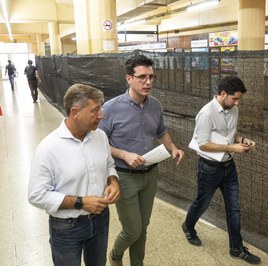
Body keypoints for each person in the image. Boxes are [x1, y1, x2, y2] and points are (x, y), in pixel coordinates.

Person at [98, 54, 185, 266]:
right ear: (129, 78)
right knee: (132, 230)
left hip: (150, 175)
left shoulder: (155, 105)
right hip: (124, 178)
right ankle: (116, 255)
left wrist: (172, 147)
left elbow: (161, 131)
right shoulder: (110, 108)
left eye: (151, 77)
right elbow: (98, 144)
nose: (148, 82)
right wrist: (124, 154)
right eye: (142, 77)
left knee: (143, 226)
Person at [28, 83, 121, 266]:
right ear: (75, 112)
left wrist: (114, 182)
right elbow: (36, 195)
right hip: (67, 227)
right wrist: (81, 202)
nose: (101, 115)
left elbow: (109, 165)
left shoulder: (100, 136)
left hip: (100, 219)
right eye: (95, 111)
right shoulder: (48, 149)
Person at [182, 76, 261, 264]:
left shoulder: (234, 110)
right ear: (223, 93)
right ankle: (188, 226)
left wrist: (242, 141)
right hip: (209, 168)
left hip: (228, 167)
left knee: (234, 208)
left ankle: (236, 248)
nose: (237, 102)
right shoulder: (206, 113)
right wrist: (232, 148)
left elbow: (232, 135)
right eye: (235, 98)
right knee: (202, 203)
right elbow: (203, 145)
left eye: (239, 99)